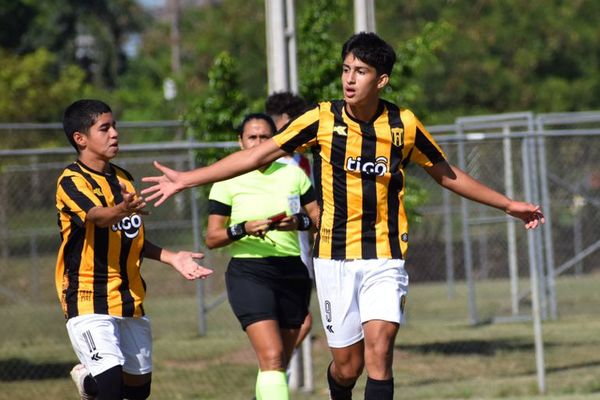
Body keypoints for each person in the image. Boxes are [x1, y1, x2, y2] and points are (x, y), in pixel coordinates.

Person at [141, 32, 545, 400]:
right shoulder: (321, 119)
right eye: (346, 69)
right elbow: (256, 155)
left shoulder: (403, 125)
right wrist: (186, 179)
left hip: (385, 255)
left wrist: (508, 204)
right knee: (348, 367)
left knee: (380, 350)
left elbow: (448, 174)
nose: (350, 79)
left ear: (381, 80)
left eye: (362, 71)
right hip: (334, 260)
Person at [55, 99, 213, 400]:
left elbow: (132, 241)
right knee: (112, 392)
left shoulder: (124, 179)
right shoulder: (71, 181)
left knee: (138, 393)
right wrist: (121, 209)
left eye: (114, 126)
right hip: (88, 298)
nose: (114, 133)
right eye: (104, 128)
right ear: (80, 138)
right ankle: (97, 383)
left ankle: (90, 383)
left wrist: (171, 257)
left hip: (130, 300)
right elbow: (98, 217)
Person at [204, 113, 319, 399]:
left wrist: (299, 222)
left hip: (292, 271)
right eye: (252, 137)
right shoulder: (226, 179)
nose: (258, 142)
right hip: (249, 272)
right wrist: (242, 228)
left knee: (275, 364)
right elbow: (212, 237)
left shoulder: (294, 173)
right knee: (272, 355)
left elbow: (319, 218)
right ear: (240, 141)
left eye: (265, 137)